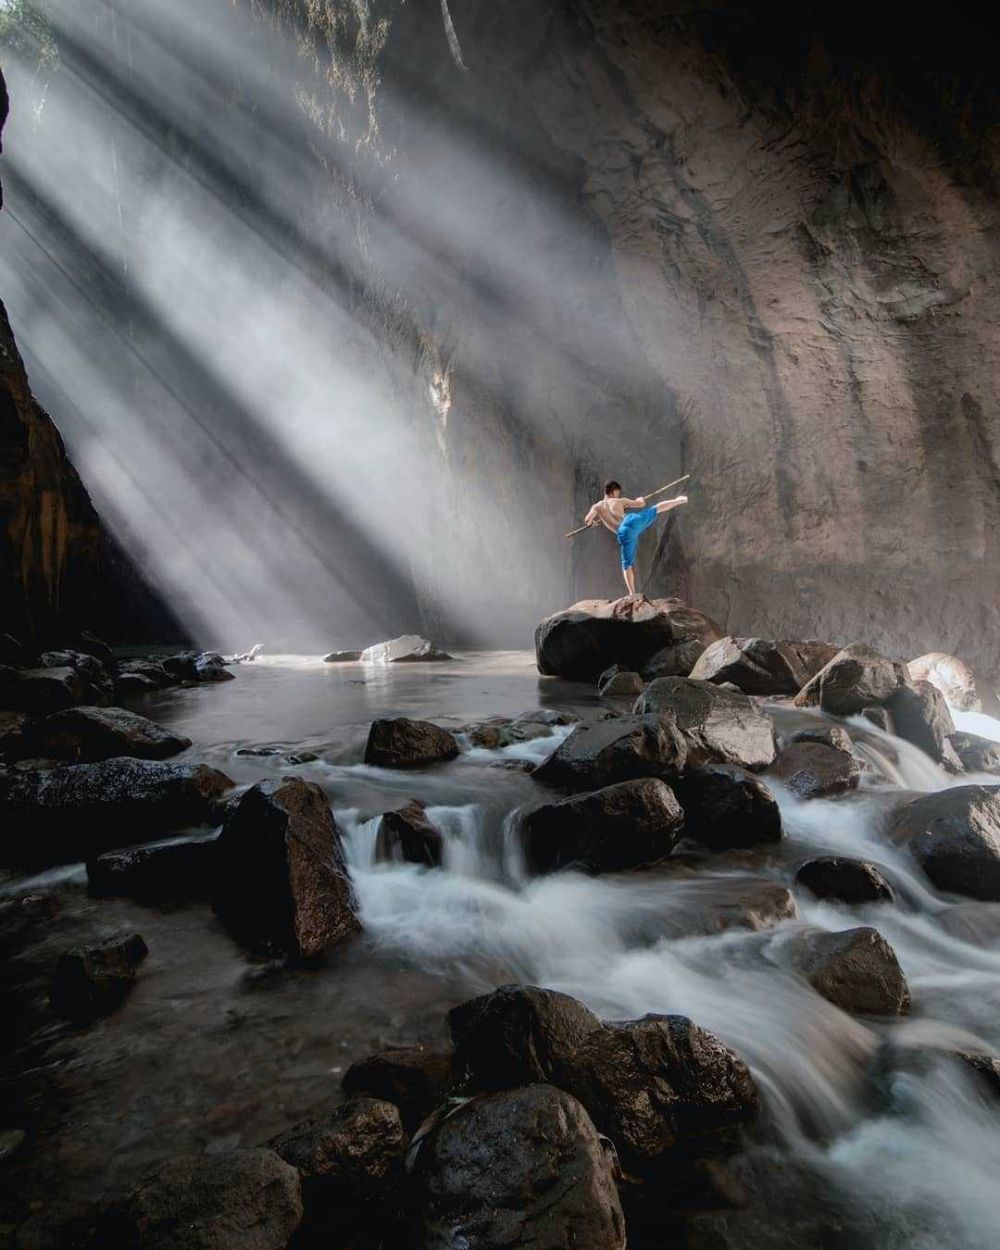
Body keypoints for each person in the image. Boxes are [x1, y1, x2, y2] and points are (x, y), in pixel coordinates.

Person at [584, 480, 688, 597]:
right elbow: (640, 504)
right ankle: (679, 501)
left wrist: (591, 523)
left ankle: (632, 593)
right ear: (615, 491)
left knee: (627, 564)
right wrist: (640, 499)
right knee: (656, 509)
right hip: (631, 521)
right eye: (618, 492)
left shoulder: (597, 507)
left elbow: (587, 520)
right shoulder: (620, 501)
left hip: (623, 532)